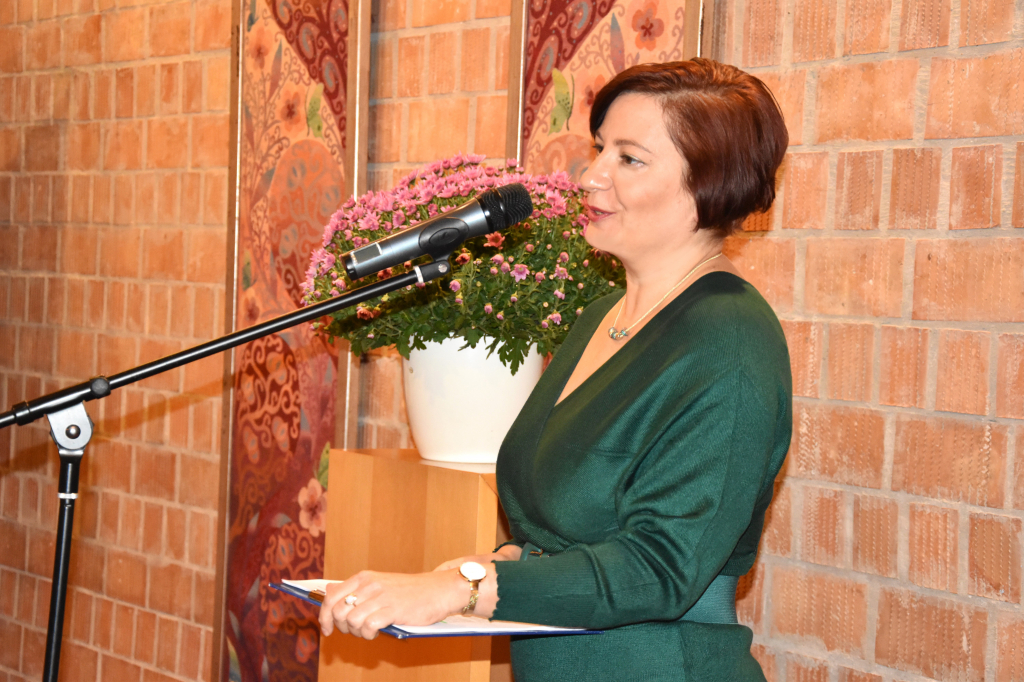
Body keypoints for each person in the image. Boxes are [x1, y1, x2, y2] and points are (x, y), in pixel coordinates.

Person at [319, 58, 792, 682]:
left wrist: (464, 591)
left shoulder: (729, 342)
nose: (590, 177)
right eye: (600, 150)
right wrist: (480, 569)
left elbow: (660, 569)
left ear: (709, 184)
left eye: (630, 159)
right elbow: (564, 530)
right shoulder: (600, 317)